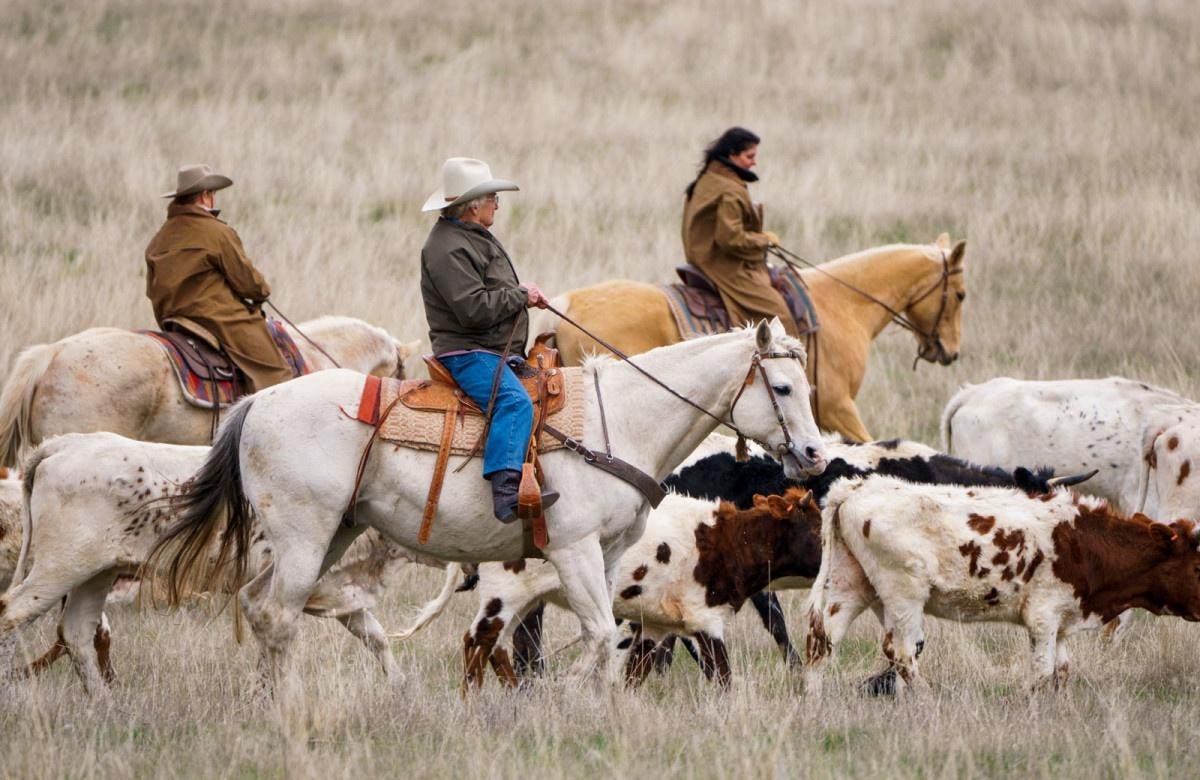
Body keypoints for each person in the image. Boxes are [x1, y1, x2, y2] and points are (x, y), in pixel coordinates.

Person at [419, 157, 558, 523]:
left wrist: (521, 292)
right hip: (467, 353)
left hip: (492, 350)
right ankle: (508, 494)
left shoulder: (468, 236)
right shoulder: (447, 247)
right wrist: (519, 296)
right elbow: (473, 310)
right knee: (513, 403)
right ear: (472, 205)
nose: (497, 203)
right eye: (493, 197)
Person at [145, 163, 294, 393]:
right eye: (212, 193)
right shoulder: (217, 232)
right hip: (214, 318)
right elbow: (247, 283)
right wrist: (262, 291)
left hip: (172, 318)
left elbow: (151, 291)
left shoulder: (159, 238)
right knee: (276, 373)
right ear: (205, 196)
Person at [680, 127, 800, 337]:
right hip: (719, 262)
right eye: (750, 156)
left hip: (701, 256)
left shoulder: (710, 177)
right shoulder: (730, 189)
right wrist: (763, 240)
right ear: (732, 155)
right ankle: (777, 367)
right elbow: (730, 238)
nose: (754, 162)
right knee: (780, 317)